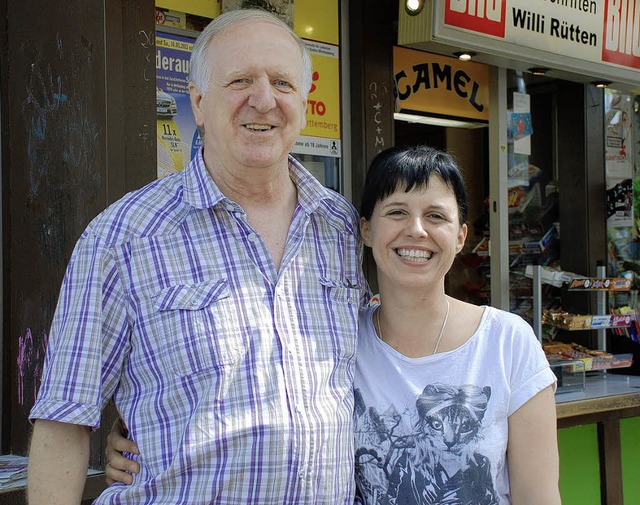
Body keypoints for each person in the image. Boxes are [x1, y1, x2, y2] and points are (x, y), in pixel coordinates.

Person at [27, 8, 368, 504]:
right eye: (240, 80)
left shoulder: (342, 228)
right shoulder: (123, 237)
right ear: (199, 101)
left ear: (304, 100)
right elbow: (64, 418)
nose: (264, 100)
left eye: (282, 82)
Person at [107, 145, 562, 504]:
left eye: (437, 216)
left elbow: (538, 497)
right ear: (365, 230)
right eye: (397, 212)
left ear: (461, 236)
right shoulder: (336, 337)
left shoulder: (507, 343)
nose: (416, 231)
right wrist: (135, 436)